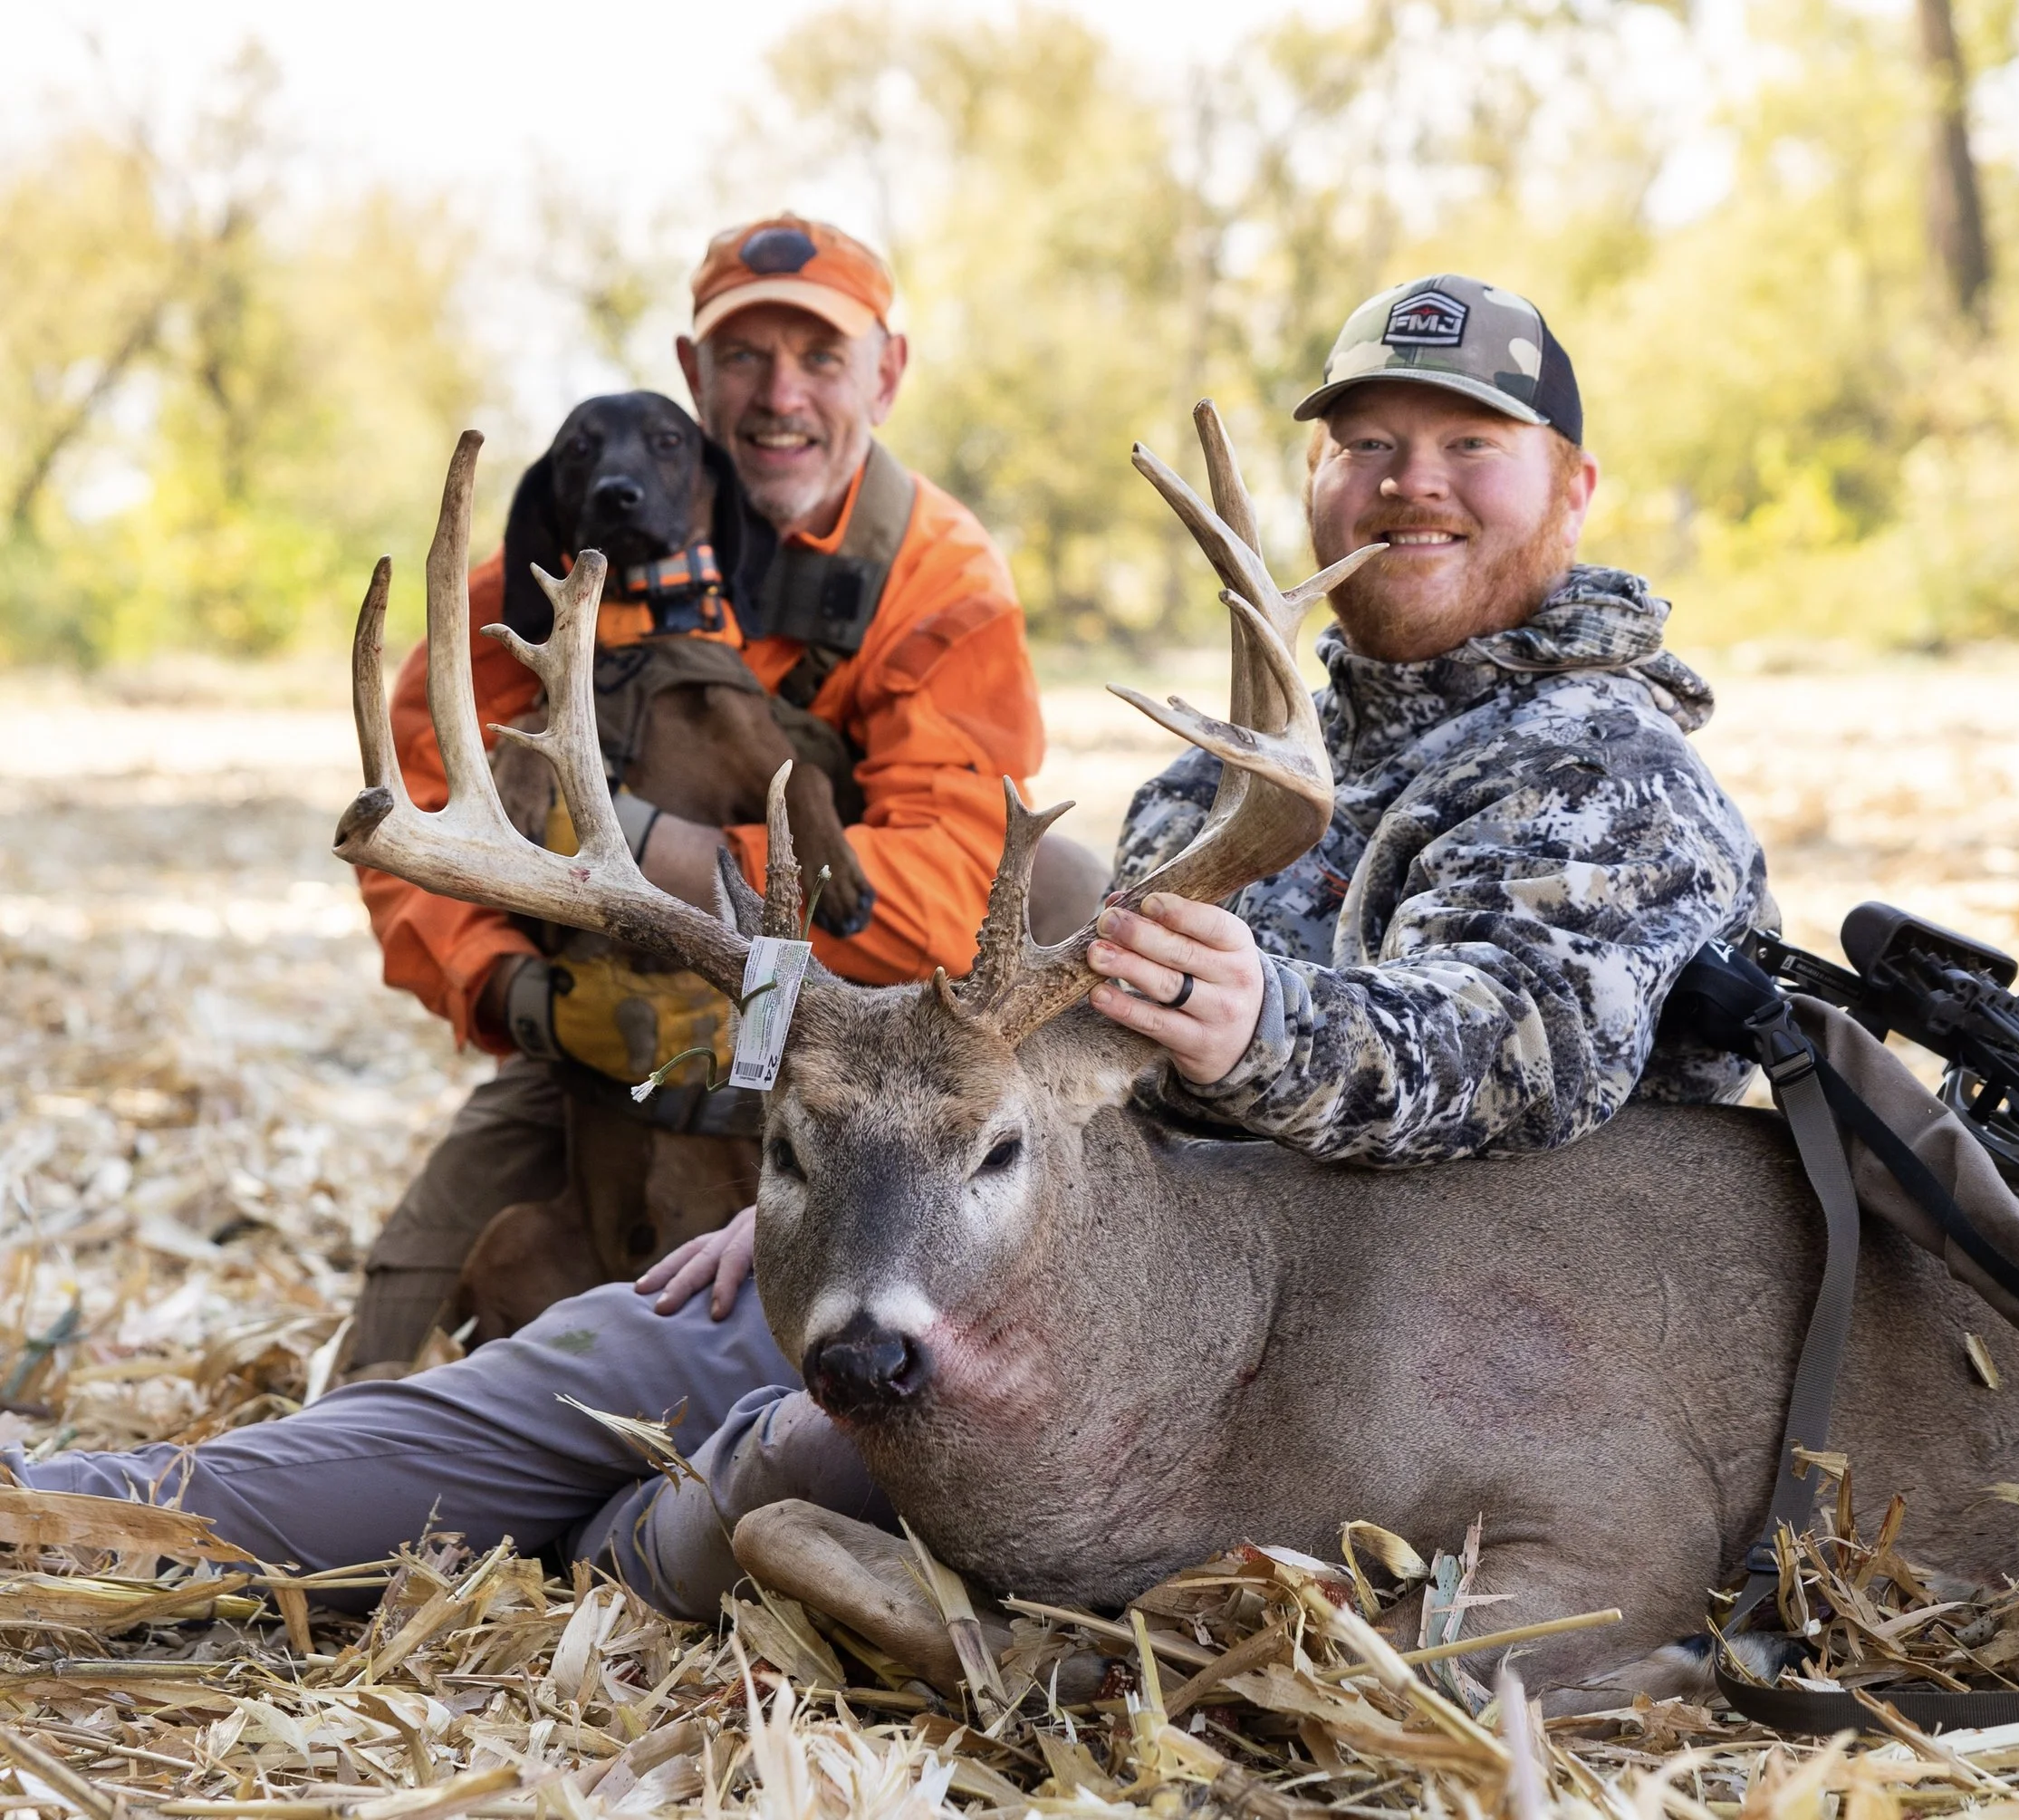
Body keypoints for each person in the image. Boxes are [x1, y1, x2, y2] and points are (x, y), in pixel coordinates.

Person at [13, 274, 1773, 1619]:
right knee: (600, 1355)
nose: (1410, 484)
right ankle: (90, 1506)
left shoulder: (1608, 774)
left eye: (1467, 444)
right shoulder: (1211, 783)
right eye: (1370, 444)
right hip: (1037, 1275)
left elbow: (1551, 1047)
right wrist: (837, 1176)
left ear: (1572, 483)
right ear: (1315, 478)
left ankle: (607, 1551)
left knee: (729, 1482)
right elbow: (1029, 1069)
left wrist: (1272, 1026)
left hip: (1310, 1386)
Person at [348, 215, 1083, 1371]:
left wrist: (640, 853)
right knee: (383, 1363)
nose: (778, 395)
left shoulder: (938, 575)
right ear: (692, 376)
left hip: (844, 1038)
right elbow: (424, 833)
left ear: (885, 374)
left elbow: (948, 885)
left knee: (1070, 881)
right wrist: (522, 995)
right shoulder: (549, 572)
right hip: (598, 1038)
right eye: (743, 357)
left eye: (821, 358)